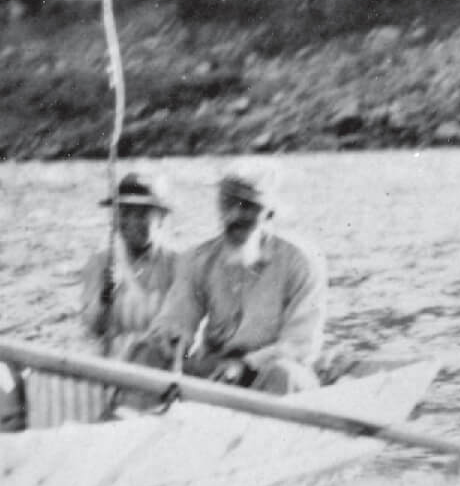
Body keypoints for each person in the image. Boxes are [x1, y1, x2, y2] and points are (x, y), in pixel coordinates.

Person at [130, 168, 327, 394]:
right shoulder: (198, 259)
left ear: (270, 213)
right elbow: (178, 317)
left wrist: (245, 366)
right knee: (147, 351)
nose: (234, 215)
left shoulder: (301, 261)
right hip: (217, 370)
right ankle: (129, 422)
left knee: (284, 373)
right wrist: (171, 338)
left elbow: (301, 345)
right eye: (227, 203)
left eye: (248, 206)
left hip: (271, 372)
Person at [80, 171, 181, 359]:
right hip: (112, 363)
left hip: (158, 364)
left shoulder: (174, 263)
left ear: (159, 217)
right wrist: (103, 299)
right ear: (116, 219)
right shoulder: (101, 262)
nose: (133, 222)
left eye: (142, 214)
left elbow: (183, 325)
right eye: (125, 214)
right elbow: (92, 329)